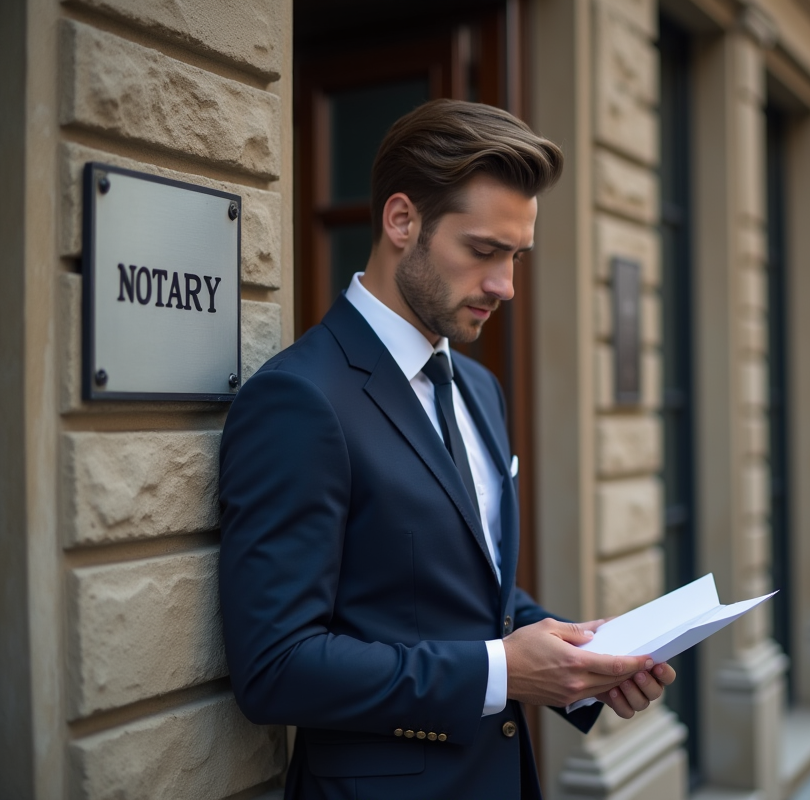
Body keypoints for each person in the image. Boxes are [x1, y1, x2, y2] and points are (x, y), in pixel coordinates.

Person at [218, 100, 676, 799]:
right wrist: (500, 672)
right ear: (402, 221)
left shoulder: (480, 387)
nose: (506, 286)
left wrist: (575, 659)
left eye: (515, 257)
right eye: (484, 251)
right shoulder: (300, 399)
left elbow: (465, 592)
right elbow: (276, 667)